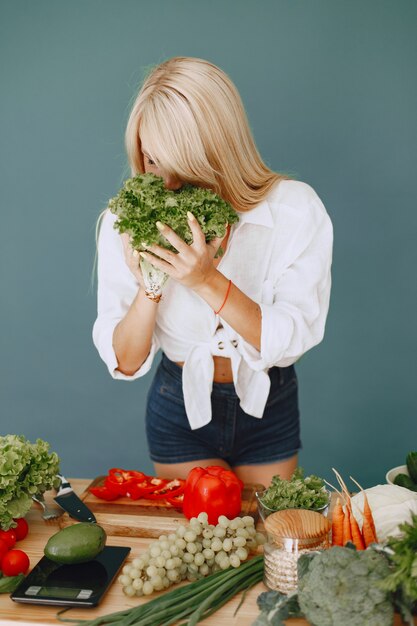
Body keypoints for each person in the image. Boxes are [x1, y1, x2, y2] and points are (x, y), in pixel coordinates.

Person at [93, 56, 333, 487]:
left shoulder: (296, 210)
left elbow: (290, 338)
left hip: (268, 399)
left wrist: (206, 279)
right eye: (150, 161)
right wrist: (150, 284)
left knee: (263, 542)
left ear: (218, 150)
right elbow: (127, 362)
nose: (164, 184)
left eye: (178, 162)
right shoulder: (124, 223)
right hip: (177, 403)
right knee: (202, 543)